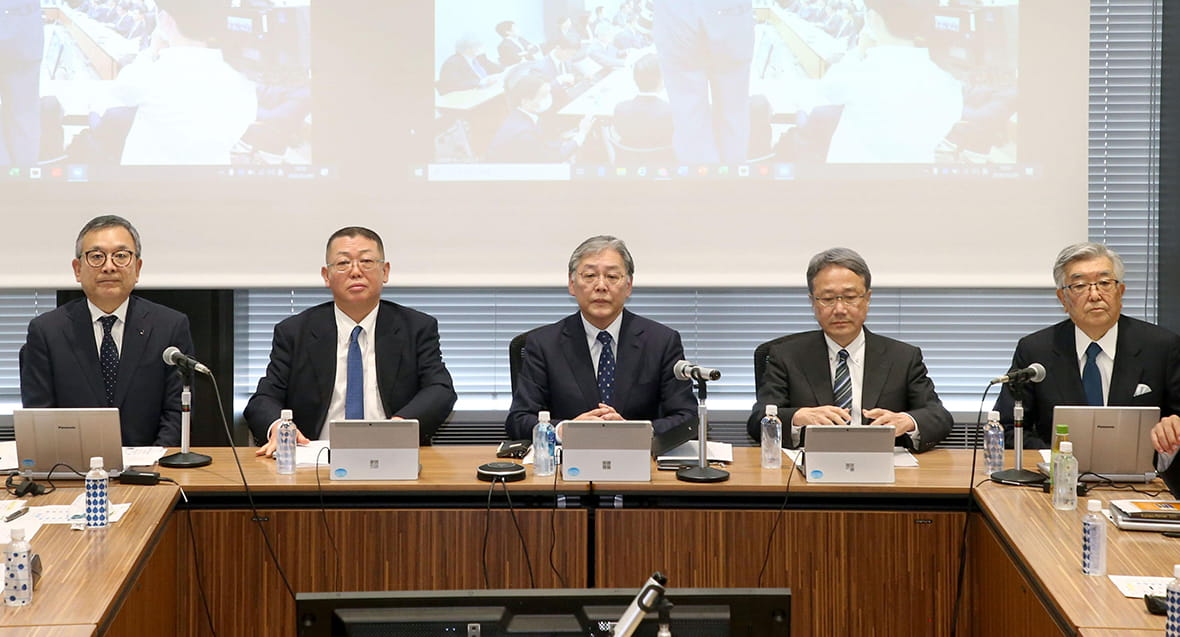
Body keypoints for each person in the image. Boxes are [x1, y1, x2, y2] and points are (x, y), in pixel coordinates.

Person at [245, 227, 457, 455]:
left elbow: (440, 389)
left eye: (366, 261)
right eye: (343, 263)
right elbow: (263, 399)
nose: (356, 271)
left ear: (385, 271)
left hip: (392, 455)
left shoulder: (416, 327)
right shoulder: (295, 332)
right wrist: (279, 426)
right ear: (326, 276)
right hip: (315, 461)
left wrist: (400, 426)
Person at [748, 247, 953, 452]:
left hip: (884, 468)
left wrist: (907, 420)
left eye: (850, 297)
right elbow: (758, 420)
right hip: (811, 471)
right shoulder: (786, 356)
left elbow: (938, 416)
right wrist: (796, 417)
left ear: (867, 299)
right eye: (828, 299)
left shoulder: (903, 357)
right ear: (812, 302)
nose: (840, 309)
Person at [20, 215, 194, 446]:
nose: (109, 266)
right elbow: (40, 417)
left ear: (138, 267)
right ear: (77, 269)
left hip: (153, 471)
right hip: (73, 470)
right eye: (96, 257)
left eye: (121, 256)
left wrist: (154, 464)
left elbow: (176, 412)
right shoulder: (47, 331)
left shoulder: (170, 326)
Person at [505, 235, 697, 440]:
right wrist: (565, 430)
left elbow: (688, 418)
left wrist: (637, 432)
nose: (601, 286)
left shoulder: (661, 342)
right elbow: (518, 420)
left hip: (640, 464)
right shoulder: (543, 344)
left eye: (612, 277)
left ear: (628, 286)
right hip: (568, 464)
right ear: (572, 284)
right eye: (589, 276)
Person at [995, 242, 1180, 449]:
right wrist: (1059, 459)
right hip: (1058, 476)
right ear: (1062, 299)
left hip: (1143, 477)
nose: (1094, 295)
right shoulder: (1035, 350)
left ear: (1121, 292)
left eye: (1104, 283)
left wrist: (1172, 428)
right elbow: (1008, 429)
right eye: (1080, 286)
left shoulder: (1162, 346)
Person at [106, 0, 257, 165]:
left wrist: (151, 51)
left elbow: (119, 91)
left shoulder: (153, 73)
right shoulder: (243, 80)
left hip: (147, 184)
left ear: (166, 19)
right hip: (209, 184)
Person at [818, 0, 963, 163]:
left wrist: (859, 51)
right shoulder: (949, 83)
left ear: (873, 19)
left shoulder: (862, 73)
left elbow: (828, 88)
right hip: (913, 183)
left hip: (853, 182)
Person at [653, 0, 754, 164]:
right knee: (733, 111)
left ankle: (702, 185)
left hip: (676, 12)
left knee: (689, 113)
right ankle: (734, 181)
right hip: (729, 12)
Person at [0, 0, 45, 167]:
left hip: (23, 31)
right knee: (24, 117)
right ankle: (22, 184)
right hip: (24, 27)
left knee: (24, 116)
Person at [611, 53, 673, 150]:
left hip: (629, 162)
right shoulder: (671, 111)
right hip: (664, 162)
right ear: (662, 80)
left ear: (635, 79)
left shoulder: (620, 109)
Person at [437, 34, 502, 95]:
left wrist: (485, 58)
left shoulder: (479, 58)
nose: (481, 48)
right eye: (478, 46)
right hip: (466, 97)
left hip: (486, 91)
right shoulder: (452, 63)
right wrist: (480, 82)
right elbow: (454, 84)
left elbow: (498, 70)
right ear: (468, 49)